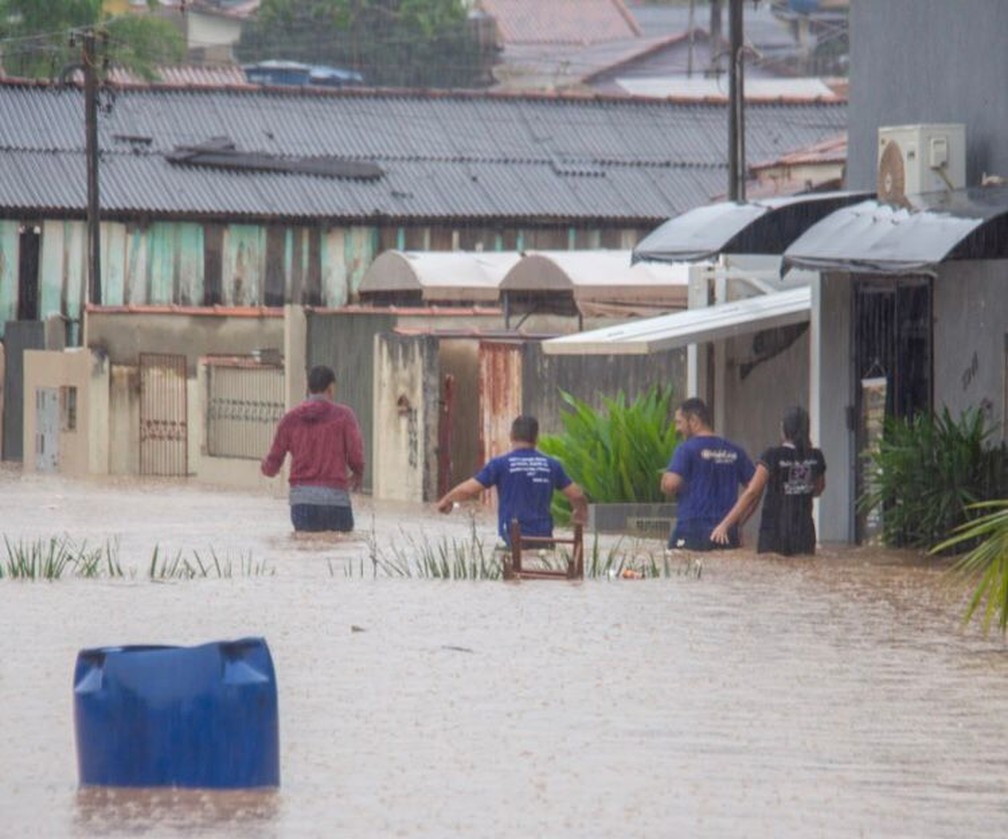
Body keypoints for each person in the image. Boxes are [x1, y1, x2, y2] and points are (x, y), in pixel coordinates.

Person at [436, 415, 588, 545]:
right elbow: (577, 495)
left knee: (511, 574)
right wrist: (580, 513)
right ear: (536, 438)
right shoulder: (552, 465)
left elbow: (468, 490)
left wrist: (447, 500)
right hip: (544, 538)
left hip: (513, 540)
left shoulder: (500, 464)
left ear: (511, 436)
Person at [261, 365, 365, 533]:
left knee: (305, 551)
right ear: (331, 388)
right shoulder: (345, 416)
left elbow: (272, 465)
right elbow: (356, 456)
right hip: (336, 500)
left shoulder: (290, 419)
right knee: (339, 555)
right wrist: (358, 474)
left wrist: (265, 467)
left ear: (308, 388)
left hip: (303, 502)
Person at [711, 406, 826, 556]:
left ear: (784, 429)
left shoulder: (773, 455)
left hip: (774, 532)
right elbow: (818, 490)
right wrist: (798, 487)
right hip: (803, 533)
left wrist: (725, 524)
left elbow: (752, 492)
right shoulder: (816, 457)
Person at [661, 397, 755, 550]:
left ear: (693, 421)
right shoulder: (735, 451)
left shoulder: (685, 449)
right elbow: (755, 489)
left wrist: (664, 480)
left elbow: (671, 484)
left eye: (679, 422)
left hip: (692, 531)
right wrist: (738, 522)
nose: (677, 429)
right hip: (726, 533)